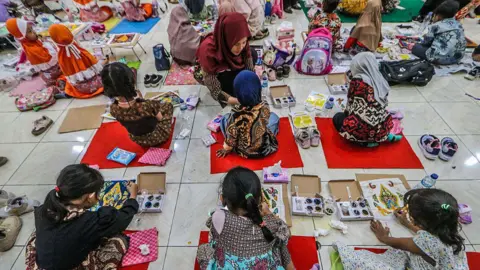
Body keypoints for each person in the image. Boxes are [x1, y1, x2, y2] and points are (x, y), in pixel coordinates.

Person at [25, 164, 139, 269]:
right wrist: (133, 196)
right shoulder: (91, 221)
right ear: (90, 196)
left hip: (43, 263)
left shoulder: (44, 208)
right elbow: (124, 217)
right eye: (98, 193)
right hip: (70, 266)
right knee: (119, 239)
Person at [334, 188, 468, 269]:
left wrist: (384, 237)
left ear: (419, 222)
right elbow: (431, 235)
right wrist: (407, 224)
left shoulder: (426, 242)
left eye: (411, 214)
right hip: (445, 264)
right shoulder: (447, 226)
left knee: (361, 262)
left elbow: (399, 244)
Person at [197, 167, 294, 269]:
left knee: (203, 250)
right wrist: (269, 213)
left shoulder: (219, 217)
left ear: (222, 198)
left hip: (229, 265)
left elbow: (214, 237)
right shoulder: (270, 223)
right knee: (279, 244)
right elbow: (287, 233)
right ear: (260, 198)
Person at [332, 52, 401, 147]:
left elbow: (350, 105)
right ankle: (385, 135)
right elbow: (384, 106)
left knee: (338, 117)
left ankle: (364, 142)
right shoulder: (381, 80)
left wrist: (346, 115)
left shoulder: (357, 81)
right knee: (380, 113)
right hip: (380, 130)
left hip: (361, 131)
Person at [102, 62, 174, 147]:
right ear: (131, 81)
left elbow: (132, 115)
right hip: (158, 136)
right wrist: (143, 101)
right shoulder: (147, 105)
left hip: (138, 140)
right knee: (168, 105)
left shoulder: (113, 109)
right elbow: (160, 118)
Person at [194, 12, 258, 108]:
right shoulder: (208, 50)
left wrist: (253, 84)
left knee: (253, 54)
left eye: (244, 42)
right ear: (226, 38)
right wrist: (236, 101)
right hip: (218, 72)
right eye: (236, 44)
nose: (240, 47)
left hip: (230, 62)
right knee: (231, 85)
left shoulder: (241, 39)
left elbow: (248, 61)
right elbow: (214, 88)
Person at [217, 70, 279, 159]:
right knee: (274, 117)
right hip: (263, 148)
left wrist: (226, 149)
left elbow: (231, 139)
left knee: (225, 118)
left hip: (244, 151)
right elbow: (265, 120)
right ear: (259, 89)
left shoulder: (236, 115)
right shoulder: (264, 105)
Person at [48, 24, 104, 99]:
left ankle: (67, 94)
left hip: (82, 89)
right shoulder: (79, 49)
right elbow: (96, 67)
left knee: (64, 80)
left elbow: (71, 78)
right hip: (99, 83)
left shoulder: (62, 56)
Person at [6, 18, 61, 86]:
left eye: (32, 28)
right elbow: (52, 57)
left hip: (48, 69)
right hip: (52, 72)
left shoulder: (29, 42)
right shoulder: (32, 48)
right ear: (22, 36)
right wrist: (46, 43)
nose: (34, 32)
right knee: (62, 79)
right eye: (29, 31)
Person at [410, 1, 466, 65]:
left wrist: (422, 39)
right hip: (457, 58)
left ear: (438, 16)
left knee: (416, 47)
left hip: (438, 59)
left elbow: (426, 43)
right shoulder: (458, 24)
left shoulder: (436, 25)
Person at [167, 0, 202, 65]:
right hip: (185, 58)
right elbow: (194, 38)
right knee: (202, 42)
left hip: (174, 54)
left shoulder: (174, 16)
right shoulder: (179, 11)